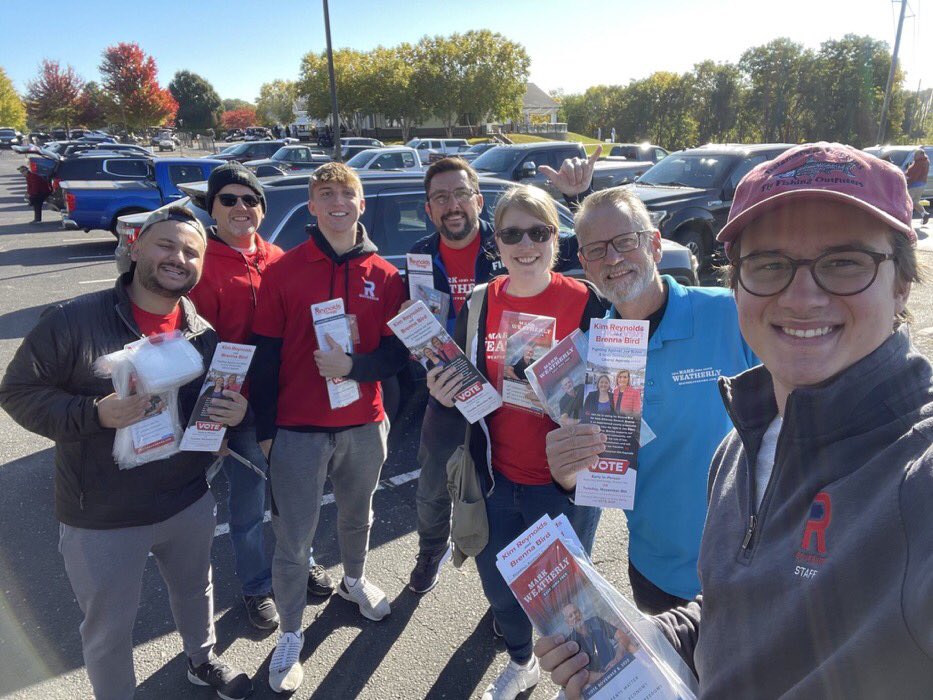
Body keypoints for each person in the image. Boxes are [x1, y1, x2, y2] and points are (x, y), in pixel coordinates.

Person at [536, 142, 933, 699]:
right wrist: (658, 641)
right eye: (769, 264)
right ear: (742, 280)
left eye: (845, 261)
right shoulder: (742, 433)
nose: (801, 297)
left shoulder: (917, 473)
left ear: (902, 283)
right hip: (654, 568)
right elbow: (736, 609)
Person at [0, 206, 253, 700]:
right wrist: (95, 413)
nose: (178, 258)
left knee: (195, 591)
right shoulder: (73, 320)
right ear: (135, 247)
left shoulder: (202, 333)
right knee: (109, 627)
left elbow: (198, 411)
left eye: (191, 251)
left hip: (186, 499)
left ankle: (202, 660)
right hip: (102, 513)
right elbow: (18, 393)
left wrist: (230, 417)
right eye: (166, 245)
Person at [542, 174, 757, 614]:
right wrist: (565, 475)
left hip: (747, 569)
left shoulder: (731, 312)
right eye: (597, 250)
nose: (614, 258)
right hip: (654, 572)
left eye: (626, 241)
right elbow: (598, 474)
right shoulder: (586, 354)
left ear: (655, 245)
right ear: (584, 263)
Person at [427, 185, 606, 700]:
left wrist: (571, 397)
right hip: (495, 478)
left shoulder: (588, 302)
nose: (525, 244)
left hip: (563, 485)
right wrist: (443, 393)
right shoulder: (482, 302)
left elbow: (615, 397)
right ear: (496, 242)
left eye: (539, 232)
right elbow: (463, 383)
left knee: (565, 595)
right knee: (501, 589)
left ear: (556, 238)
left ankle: (577, 676)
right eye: (511, 234)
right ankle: (522, 661)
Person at [250, 162, 408, 694]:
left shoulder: (385, 276)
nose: (337, 201)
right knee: (293, 540)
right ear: (312, 207)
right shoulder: (283, 271)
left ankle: (354, 581)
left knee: (358, 516)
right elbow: (265, 354)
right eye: (325, 194)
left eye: (347, 192)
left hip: (364, 423)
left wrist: (356, 370)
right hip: (296, 429)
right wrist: (266, 429)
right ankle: (291, 634)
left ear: (361, 204)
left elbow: (396, 353)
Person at [407, 156, 580, 595]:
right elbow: (410, 328)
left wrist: (577, 196)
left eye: (460, 194)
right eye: (441, 197)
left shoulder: (581, 297)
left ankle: (518, 629)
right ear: (429, 207)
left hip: (558, 470)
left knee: (558, 586)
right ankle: (433, 552)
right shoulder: (421, 258)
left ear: (477, 201)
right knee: (435, 488)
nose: (452, 204)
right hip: (467, 412)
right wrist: (430, 374)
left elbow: (601, 252)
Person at [188, 162, 333, 631]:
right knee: (248, 505)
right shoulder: (199, 262)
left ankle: (300, 560)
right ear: (212, 207)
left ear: (263, 210)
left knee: (294, 497)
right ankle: (255, 587)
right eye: (228, 199)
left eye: (250, 200)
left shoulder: (277, 257)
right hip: (234, 408)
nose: (240, 207)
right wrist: (208, 418)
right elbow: (185, 343)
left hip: (285, 403)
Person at [561, 603, 636, 678]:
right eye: (571, 616)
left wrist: (618, 657)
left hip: (616, 664)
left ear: (580, 612)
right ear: (568, 622)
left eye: (575, 612)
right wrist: (603, 676)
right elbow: (579, 673)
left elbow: (622, 637)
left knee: (630, 646)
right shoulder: (570, 642)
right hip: (597, 680)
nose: (575, 616)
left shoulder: (596, 621)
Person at [905, 148, 929, 225]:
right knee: (915, 202)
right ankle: (924, 214)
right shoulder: (925, 161)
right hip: (922, 185)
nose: (914, 156)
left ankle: (906, 219)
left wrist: (907, 182)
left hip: (915, 185)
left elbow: (915, 175)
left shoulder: (919, 162)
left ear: (920, 155)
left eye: (915, 155)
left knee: (907, 201)